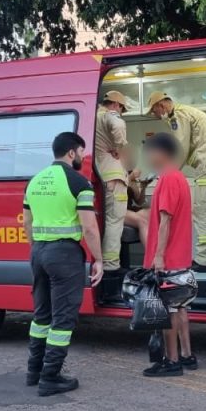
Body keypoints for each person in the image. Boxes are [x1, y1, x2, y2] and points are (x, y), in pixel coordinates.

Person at [22, 132, 104, 396]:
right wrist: (99, 260)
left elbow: (27, 222)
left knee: (41, 315)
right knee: (63, 318)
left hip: (39, 252)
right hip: (64, 255)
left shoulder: (34, 181)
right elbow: (89, 227)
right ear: (71, 152)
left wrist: (36, 249)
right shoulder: (79, 183)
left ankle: (34, 371)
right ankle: (51, 377)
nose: (82, 156)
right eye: (81, 151)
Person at [146, 91, 206, 271]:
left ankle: (203, 260)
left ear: (161, 106)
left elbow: (180, 148)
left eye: (155, 112)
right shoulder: (188, 112)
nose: (156, 116)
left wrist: (168, 173)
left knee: (203, 209)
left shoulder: (178, 115)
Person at [140, 132, 197, 377]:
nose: (149, 157)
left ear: (161, 153)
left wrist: (159, 256)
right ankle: (187, 356)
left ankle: (171, 361)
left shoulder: (168, 179)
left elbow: (165, 220)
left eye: (150, 152)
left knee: (170, 311)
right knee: (181, 307)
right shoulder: (179, 177)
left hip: (170, 258)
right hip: (180, 256)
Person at [95, 90, 130, 276]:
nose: (121, 112)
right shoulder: (110, 115)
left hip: (101, 177)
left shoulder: (93, 117)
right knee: (115, 223)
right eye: (122, 108)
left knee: (105, 222)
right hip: (114, 177)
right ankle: (111, 266)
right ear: (116, 105)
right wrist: (119, 146)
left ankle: (106, 262)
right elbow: (118, 123)